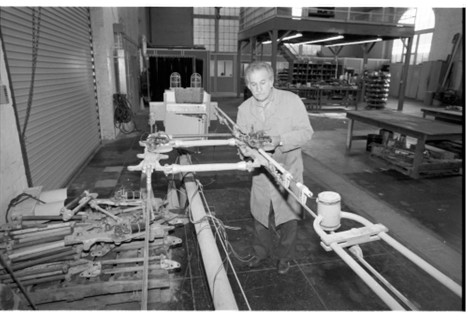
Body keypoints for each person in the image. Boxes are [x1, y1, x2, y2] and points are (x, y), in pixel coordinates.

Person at [236, 61, 314, 274]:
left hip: (288, 170)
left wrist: (279, 140)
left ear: (271, 81)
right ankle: (260, 252)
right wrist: (246, 151)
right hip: (261, 173)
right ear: (248, 85)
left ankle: (284, 257)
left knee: (289, 216)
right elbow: (240, 139)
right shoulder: (244, 109)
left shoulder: (291, 101)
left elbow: (306, 133)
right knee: (260, 214)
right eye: (252, 84)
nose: (258, 88)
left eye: (262, 82)